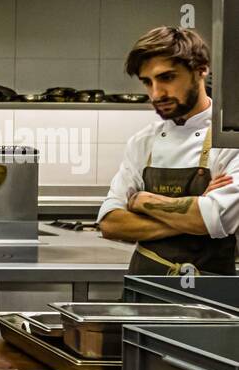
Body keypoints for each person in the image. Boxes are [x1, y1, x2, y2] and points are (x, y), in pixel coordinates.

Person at [98, 26, 239, 276]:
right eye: (147, 82)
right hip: (144, 288)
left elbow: (214, 218)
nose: (156, 93)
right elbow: (111, 223)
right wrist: (196, 216)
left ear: (200, 70)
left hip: (208, 298)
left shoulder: (230, 140)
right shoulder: (143, 142)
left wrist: (141, 200)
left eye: (167, 78)